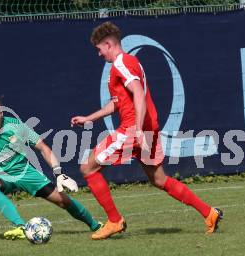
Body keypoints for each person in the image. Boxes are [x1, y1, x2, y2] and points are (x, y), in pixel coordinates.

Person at [71, 21, 223, 240]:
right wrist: (89, 118)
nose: (98, 54)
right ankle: (209, 213)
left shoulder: (121, 64)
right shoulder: (130, 63)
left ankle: (114, 221)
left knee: (88, 167)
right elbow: (117, 103)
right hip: (145, 129)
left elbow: (139, 94)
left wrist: (138, 130)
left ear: (108, 44)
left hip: (133, 130)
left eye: (99, 49)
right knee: (160, 180)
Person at [0, 96, 102, 239]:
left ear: (2, 113)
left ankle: (97, 225)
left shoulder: (15, 125)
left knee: (63, 201)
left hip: (24, 173)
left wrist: (59, 173)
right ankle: (20, 226)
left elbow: (43, 148)